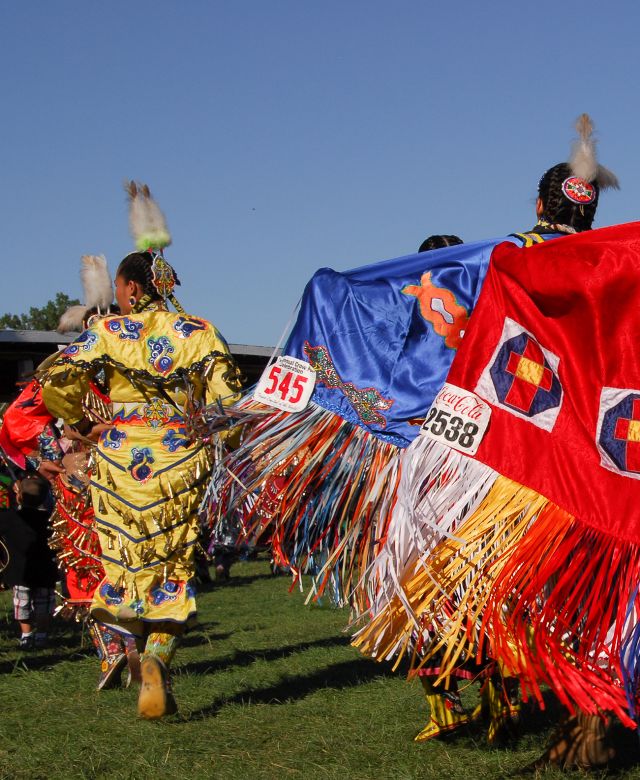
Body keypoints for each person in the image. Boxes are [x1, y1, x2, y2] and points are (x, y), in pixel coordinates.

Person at [40, 182, 242, 719]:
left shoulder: (108, 330)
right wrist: (220, 442)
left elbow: (55, 380)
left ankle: (129, 648)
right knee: (173, 568)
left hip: (121, 461)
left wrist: (84, 422)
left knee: (126, 565)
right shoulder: (199, 331)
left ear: (128, 286)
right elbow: (228, 403)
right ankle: (158, 659)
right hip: (179, 460)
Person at [0, 475, 58, 649]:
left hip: (20, 572)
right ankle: (41, 635)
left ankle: (26, 634)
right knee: (44, 606)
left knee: (22, 605)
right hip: (45, 571)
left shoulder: (11, 518)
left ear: (19, 497)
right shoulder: (51, 519)